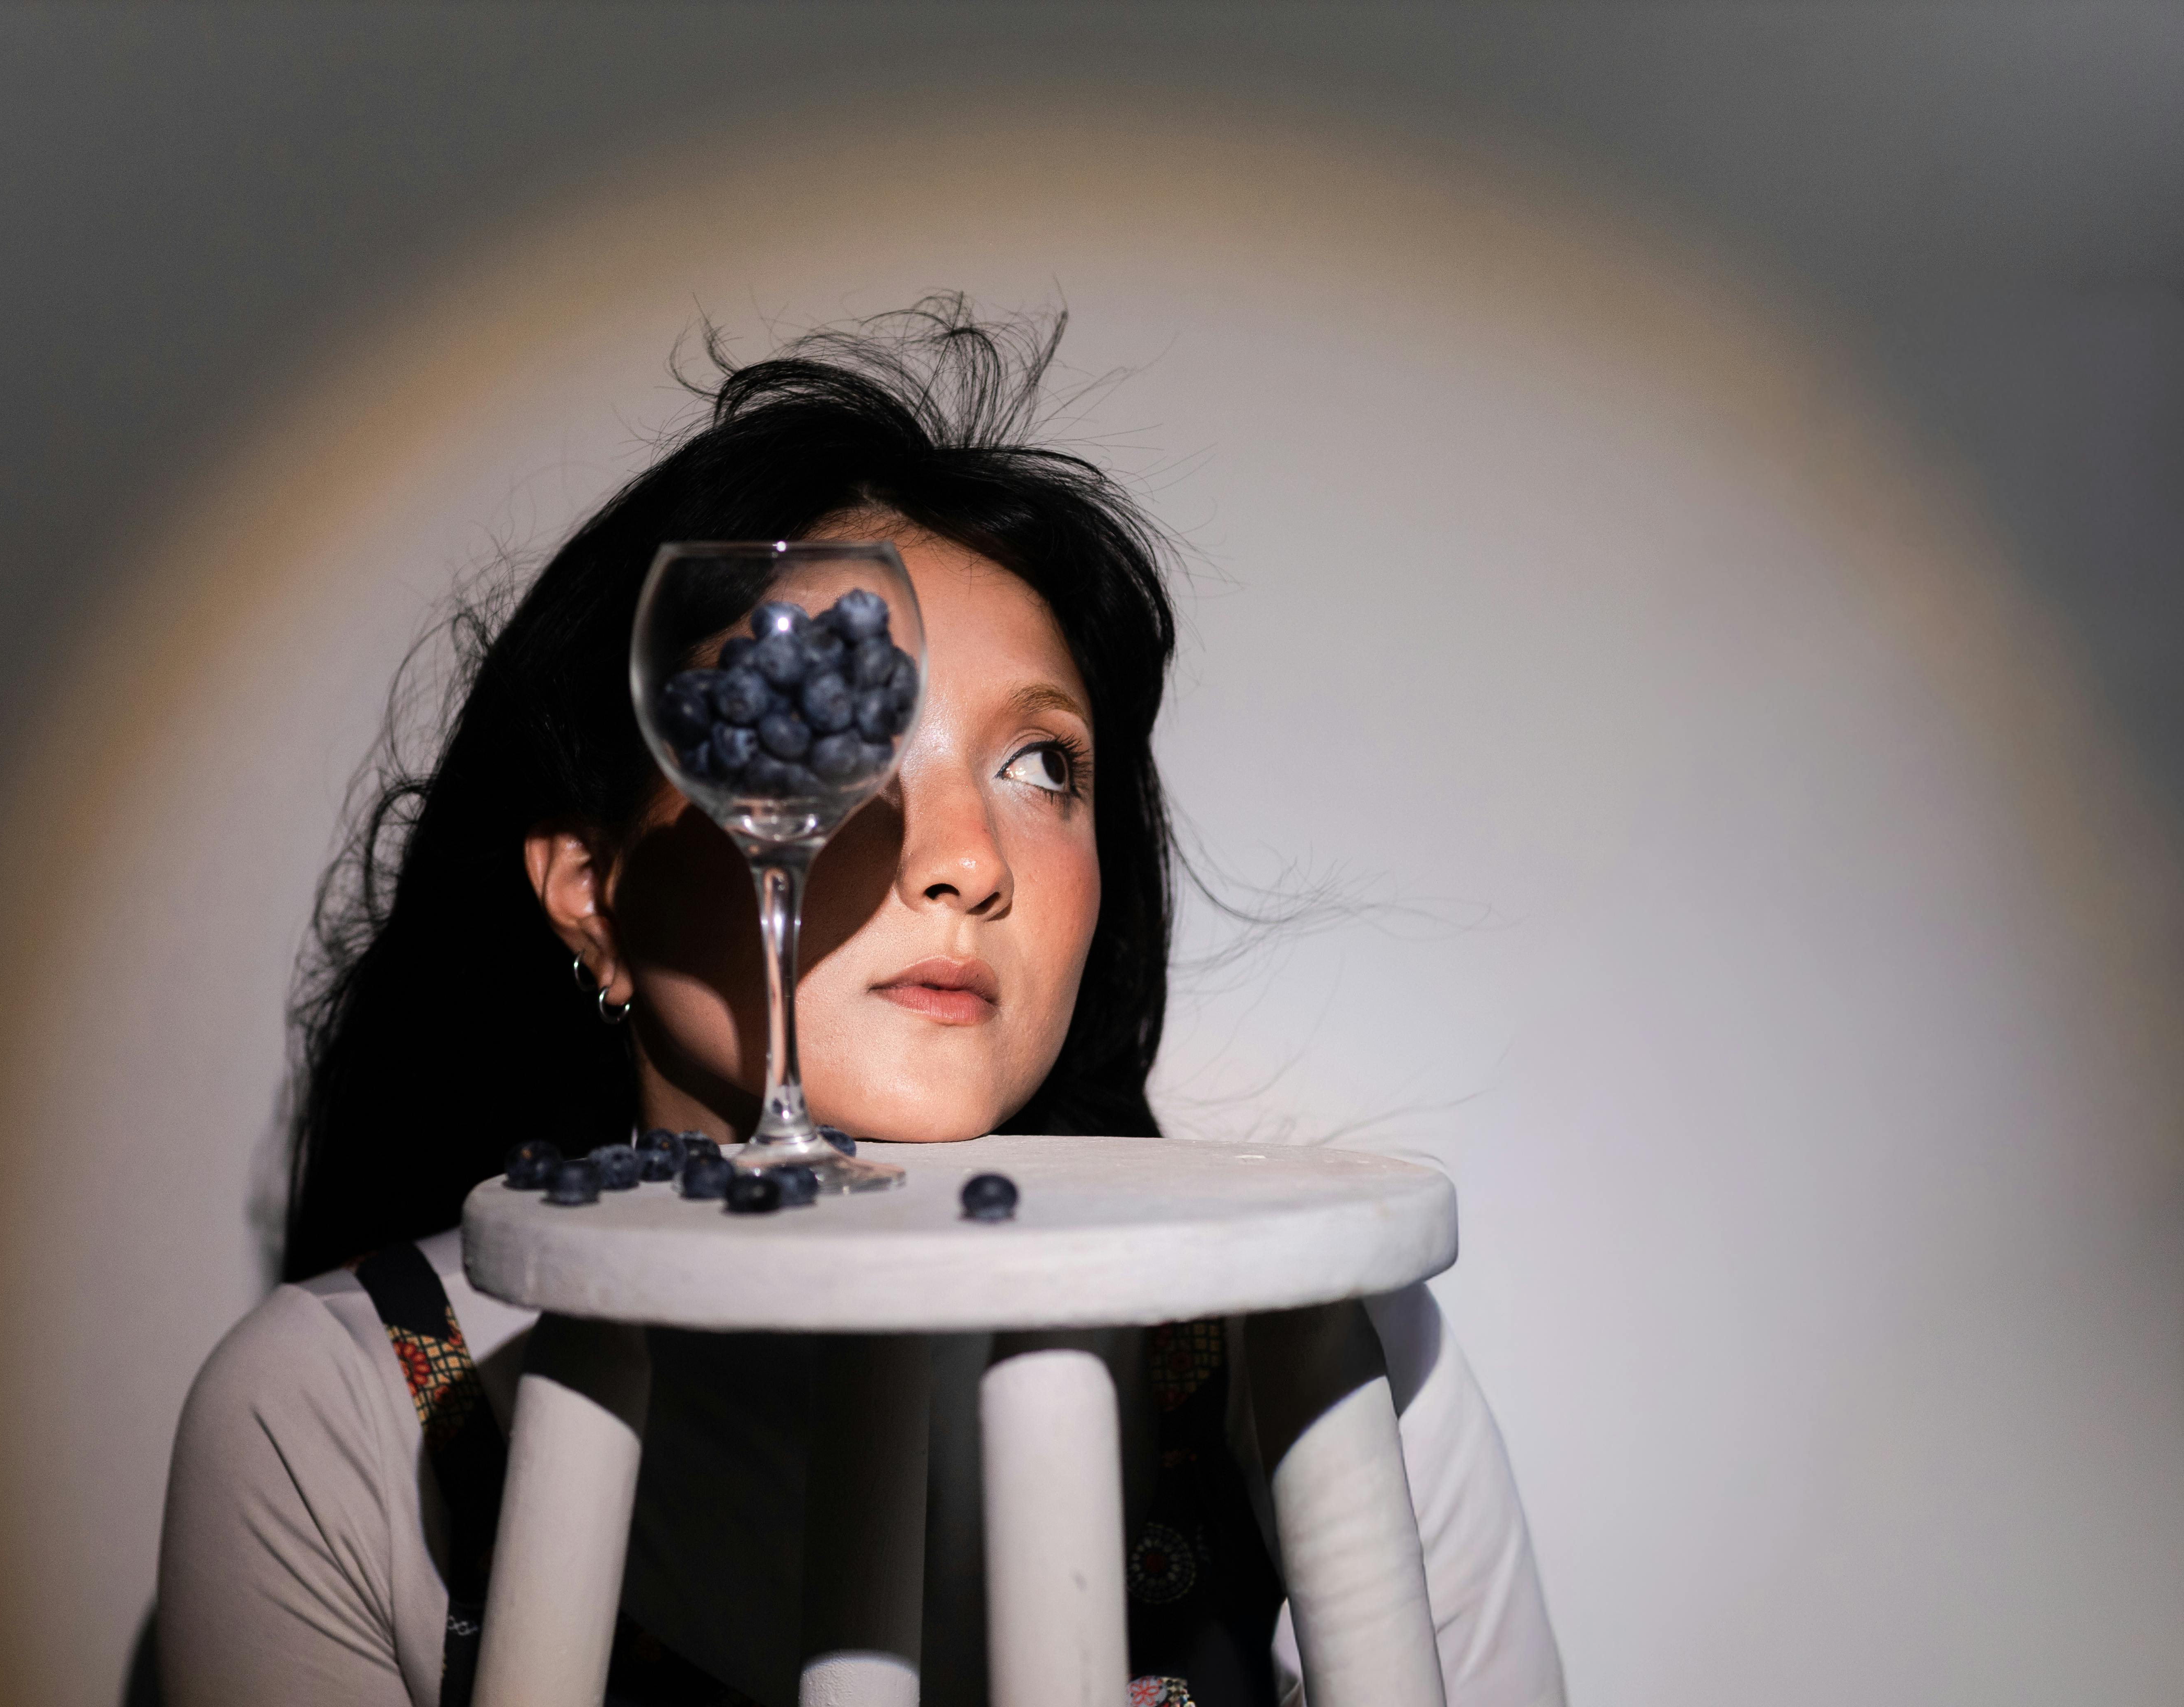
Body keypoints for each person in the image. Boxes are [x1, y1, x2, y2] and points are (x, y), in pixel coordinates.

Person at [157, 298, 1563, 1707]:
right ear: (593, 893)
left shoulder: (1318, 1351)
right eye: (821, 736)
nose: (965, 863)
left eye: (1042, 769)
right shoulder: (341, 1409)